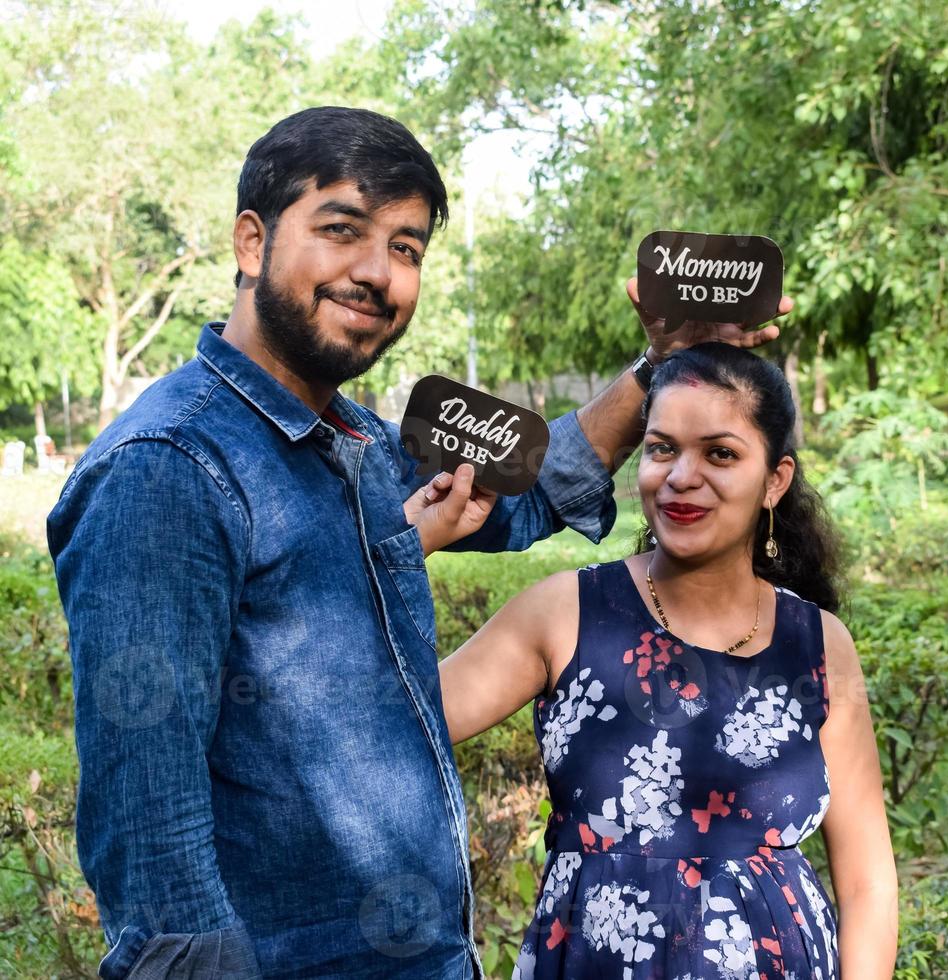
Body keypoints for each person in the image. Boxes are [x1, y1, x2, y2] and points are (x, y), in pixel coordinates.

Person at [46, 105, 790, 979]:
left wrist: (663, 364)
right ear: (252, 243)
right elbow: (148, 822)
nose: (376, 273)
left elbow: (520, 496)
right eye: (342, 230)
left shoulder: (353, 440)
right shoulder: (170, 468)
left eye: (405, 248)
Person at [432, 343, 898, 978]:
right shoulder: (565, 613)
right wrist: (409, 543)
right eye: (662, 448)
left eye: (721, 453)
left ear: (775, 480)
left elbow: (868, 877)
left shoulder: (817, 643)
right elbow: (393, 720)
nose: (682, 475)